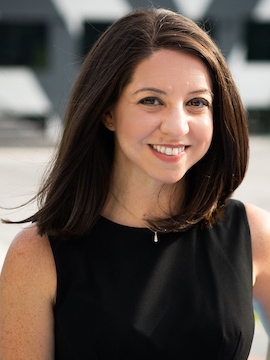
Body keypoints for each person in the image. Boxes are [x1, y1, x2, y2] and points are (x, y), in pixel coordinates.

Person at [0, 7, 270, 360]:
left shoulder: (253, 234)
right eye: (151, 100)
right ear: (108, 112)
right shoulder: (37, 256)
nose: (177, 126)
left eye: (196, 103)